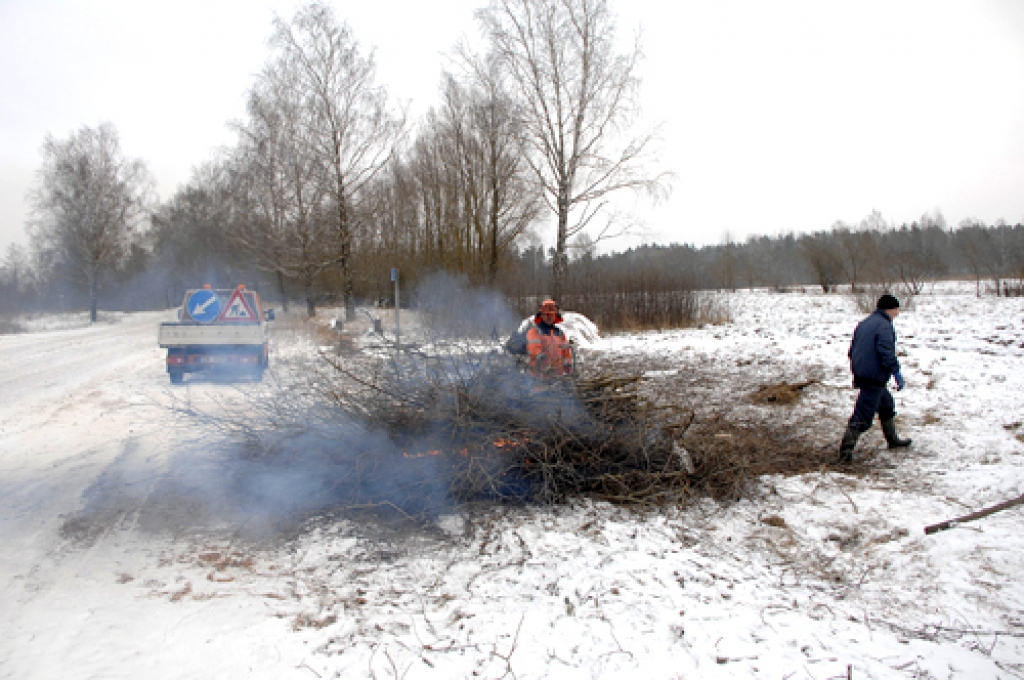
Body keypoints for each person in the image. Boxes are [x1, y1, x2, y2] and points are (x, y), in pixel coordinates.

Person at [838, 293, 912, 463]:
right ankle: (845, 454)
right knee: (862, 416)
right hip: (873, 376)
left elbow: (851, 350)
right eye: (896, 310)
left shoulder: (865, 323)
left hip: (864, 372)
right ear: (890, 309)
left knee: (886, 405)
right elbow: (886, 352)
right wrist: (896, 372)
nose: (897, 313)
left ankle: (893, 440)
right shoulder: (884, 326)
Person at [526, 299, 573, 377]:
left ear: (555, 315)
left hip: (557, 377)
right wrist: (539, 356)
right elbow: (533, 347)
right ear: (542, 315)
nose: (550, 317)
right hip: (539, 377)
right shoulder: (535, 331)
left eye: (552, 315)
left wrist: (568, 364)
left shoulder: (560, 333)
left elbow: (566, 352)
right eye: (547, 315)